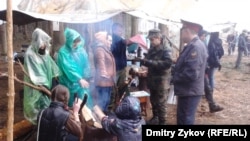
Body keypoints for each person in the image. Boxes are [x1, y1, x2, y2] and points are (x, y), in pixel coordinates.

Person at [172, 20, 207, 125]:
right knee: (184, 118)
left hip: (189, 90)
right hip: (188, 90)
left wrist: (174, 77)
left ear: (187, 31)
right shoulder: (193, 45)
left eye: (182, 32)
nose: (181, 35)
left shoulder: (195, 47)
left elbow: (191, 73)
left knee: (185, 120)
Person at [23, 28, 61, 125]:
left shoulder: (44, 52)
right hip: (36, 85)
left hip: (46, 84)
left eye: (45, 42)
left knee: (47, 105)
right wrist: (44, 86)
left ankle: (46, 123)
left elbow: (51, 65)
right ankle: (38, 126)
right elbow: (36, 73)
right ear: (36, 41)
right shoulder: (30, 54)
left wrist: (55, 78)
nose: (44, 45)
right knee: (36, 105)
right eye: (42, 42)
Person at [139, 29, 172, 125]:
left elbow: (167, 63)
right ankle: (155, 117)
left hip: (162, 80)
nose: (151, 42)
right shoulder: (153, 48)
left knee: (161, 102)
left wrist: (150, 62)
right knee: (153, 100)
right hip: (152, 79)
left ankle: (162, 122)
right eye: (150, 40)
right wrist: (144, 61)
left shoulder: (166, 49)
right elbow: (149, 59)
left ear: (159, 38)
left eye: (152, 40)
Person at [56, 27, 93, 109]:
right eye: (74, 42)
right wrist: (79, 79)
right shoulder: (63, 52)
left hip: (81, 82)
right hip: (68, 83)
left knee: (84, 103)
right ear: (69, 40)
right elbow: (68, 68)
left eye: (77, 41)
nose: (76, 44)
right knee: (70, 105)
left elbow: (86, 64)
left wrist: (86, 77)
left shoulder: (81, 50)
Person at [198, 30, 224, 113]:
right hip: (197, 71)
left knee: (208, 88)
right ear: (200, 36)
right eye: (204, 36)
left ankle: (212, 106)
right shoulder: (197, 45)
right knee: (202, 88)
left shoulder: (202, 43)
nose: (204, 37)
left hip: (202, 70)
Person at [92, 31, 116, 113]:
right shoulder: (100, 50)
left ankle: (103, 119)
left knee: (106, 102)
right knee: (102, 103)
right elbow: (101, 63)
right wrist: (104, 74)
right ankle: (101, 120)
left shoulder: (104, 49)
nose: (110, 42)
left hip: (107, 81)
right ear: (103, 40)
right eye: (108, 39)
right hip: (103, 82)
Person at [111, 23, 129, 100]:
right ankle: (111, 106)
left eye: (121, 31)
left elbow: (123, 53)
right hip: (114, 68)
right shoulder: (111, 40)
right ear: (113, 30)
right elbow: (113, 51)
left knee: (123, 86)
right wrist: (122, 42)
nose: (121, 32)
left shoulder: (122, 40)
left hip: (122, 67)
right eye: (119, 31)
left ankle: (122, 103)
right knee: (113, 88)